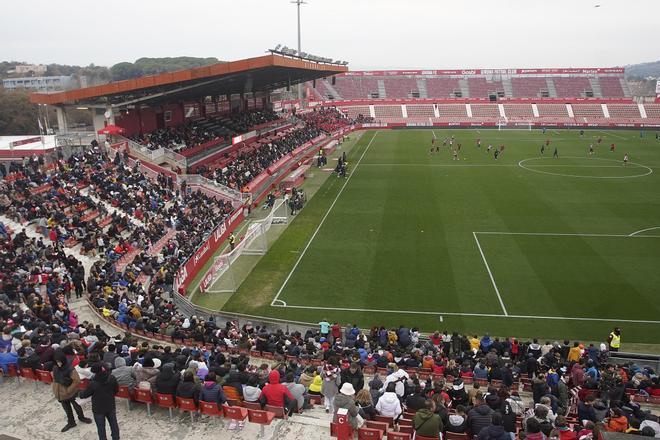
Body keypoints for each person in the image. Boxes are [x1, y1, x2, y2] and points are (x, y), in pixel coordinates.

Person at [52, 349, 92, 432]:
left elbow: (76, 381)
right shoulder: (55, 368)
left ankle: (81, 417)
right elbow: (55, 379)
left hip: (70, 392)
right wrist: (55, 390)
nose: (58, 364)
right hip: (61, 393)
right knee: (67, 409)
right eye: (57, 362)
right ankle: (71, 422)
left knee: (76, 406)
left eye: (60, 362)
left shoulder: (70, 369)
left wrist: (68, 390)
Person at [79, 364, 120, 440]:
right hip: (110, 405)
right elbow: (116, 390)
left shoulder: (93, 383)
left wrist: (79, 393)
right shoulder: (111, 378)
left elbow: (84, 395)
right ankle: (116, 438)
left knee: (101, 428)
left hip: (98, 409)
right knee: (114, 424)